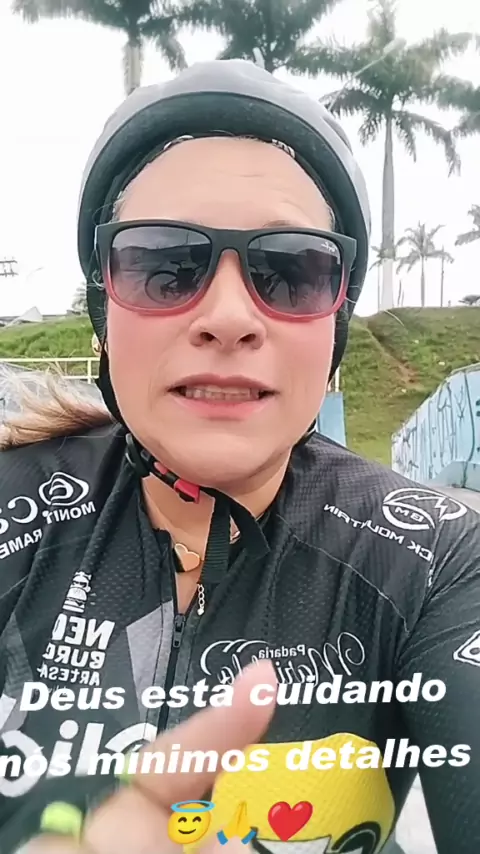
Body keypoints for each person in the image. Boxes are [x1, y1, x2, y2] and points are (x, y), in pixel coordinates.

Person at [0, 59, 478, 854]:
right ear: (102, 313)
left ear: (336, 328)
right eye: (164, 267)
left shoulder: (436, 559)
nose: (228, 317)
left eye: (290, 273)